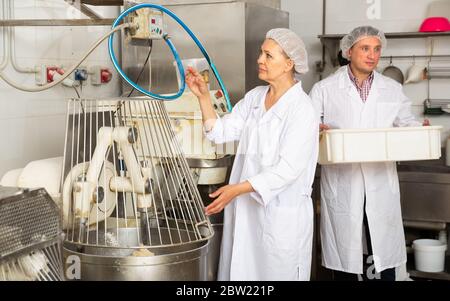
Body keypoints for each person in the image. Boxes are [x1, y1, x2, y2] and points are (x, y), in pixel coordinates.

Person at [185, 28, 319, 281]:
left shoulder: (302, 109)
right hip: (246, 211)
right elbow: (219, 132)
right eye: (261, 53)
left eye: (268, 55)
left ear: (289, 64)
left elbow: (288, 169)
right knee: (242, 274)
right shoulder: (255, 98)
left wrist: (236, 189)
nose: (260, 60)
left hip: (281, 216)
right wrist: (203, 96)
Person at [310, 26, 429, 281]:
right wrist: (316, 130)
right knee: (345, 256)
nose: (372, 55)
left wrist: (420, 129)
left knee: (381, 252)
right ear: (349, 51)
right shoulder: (325, 89)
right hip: (344, 183)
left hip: (379, 182)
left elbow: (406, 123)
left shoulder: (391, 89)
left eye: (377, 49)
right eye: (365, 48)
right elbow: (305, 128)